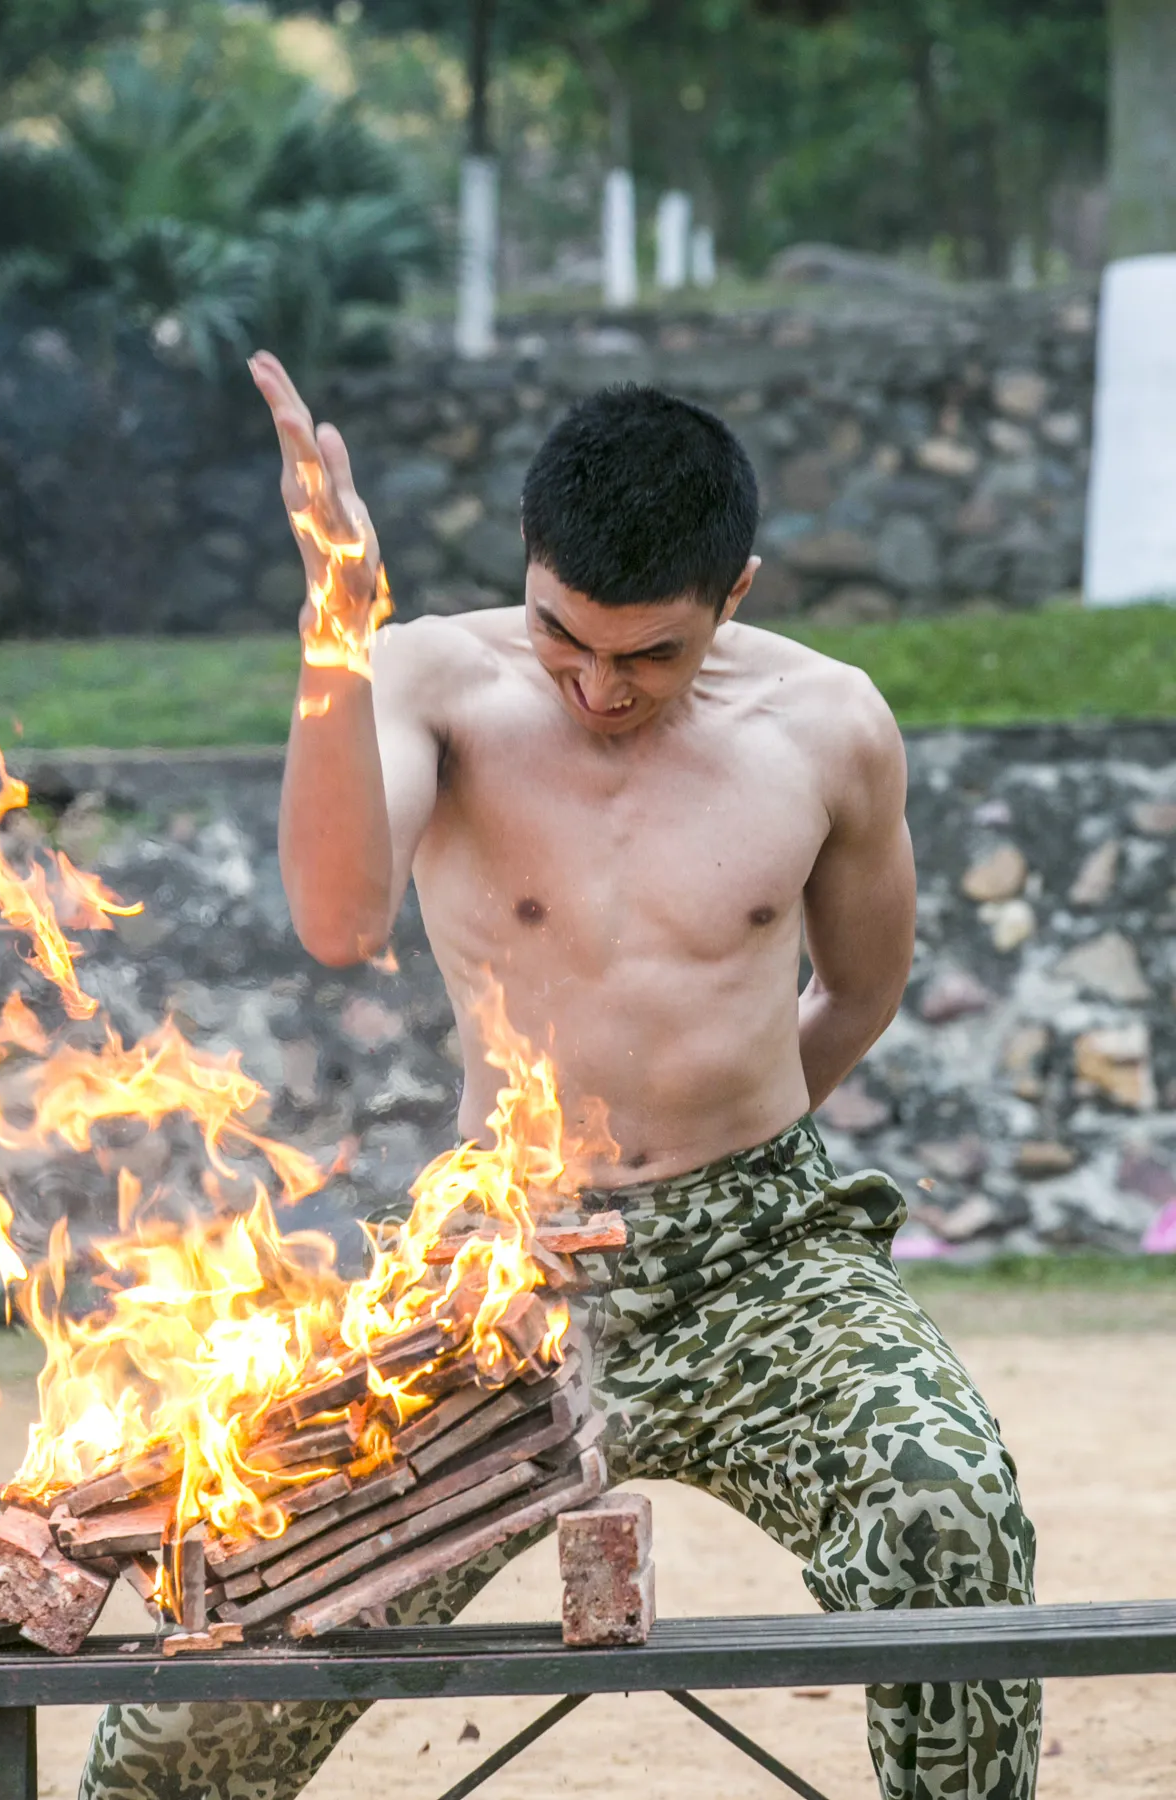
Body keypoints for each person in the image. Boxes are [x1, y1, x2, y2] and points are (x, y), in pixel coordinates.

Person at [80, 355, 1038, 1800]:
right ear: (525, 573)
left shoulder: (832, 727)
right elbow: (337, 921)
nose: (599, 686)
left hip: (760, 1261)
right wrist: (336, 628)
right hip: (497, 1275)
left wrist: (737, 1150)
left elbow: (861, 986)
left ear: (738, 594)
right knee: (218, 1665)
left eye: (650, 656)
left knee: (949, 1512)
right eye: (564, 637)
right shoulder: (434, 682)